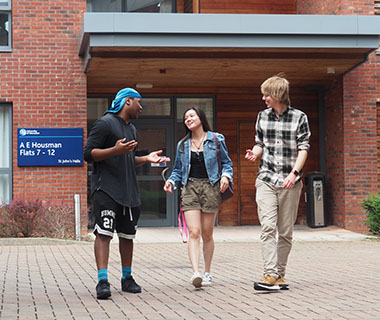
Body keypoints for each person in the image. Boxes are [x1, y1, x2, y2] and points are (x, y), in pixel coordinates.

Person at [84, 88, 170, 299]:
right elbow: (87, 154)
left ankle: (127, 278)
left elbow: (128, 160)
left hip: (129, 191)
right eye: (139, 103)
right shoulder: (105, 123)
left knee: (127, 236)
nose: (141, 107)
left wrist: (147, 159)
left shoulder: (131, 129)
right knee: (104, 234)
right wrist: (114, 150)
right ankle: (103, 281)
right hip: (106, 190)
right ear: (127, 101)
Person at [245, 74, 311, 291]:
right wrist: (255, 153)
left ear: (278, 94)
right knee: (267, 227)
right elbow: (259, 143)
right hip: (266, 178)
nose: (264, 98)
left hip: (290, 181)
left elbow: (304, 148)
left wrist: (294, 173)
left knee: (285, 231)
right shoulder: (262, 116)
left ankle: (279, 274)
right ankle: (270, 274)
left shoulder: (299, 117)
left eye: (267, 94)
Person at [163, 107, 233, 288]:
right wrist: (171, 181)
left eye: (191, 115)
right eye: (185, 117)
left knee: (207, 233)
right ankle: (196, 273)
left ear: (201, 118)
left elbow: (226, 163)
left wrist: (226, 176)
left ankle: (207, 272)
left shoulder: (216, 139)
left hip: (211, 187)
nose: (188, 119)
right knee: (194, 232)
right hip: (190, 188)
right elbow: (178, 170)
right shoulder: (183, 145)